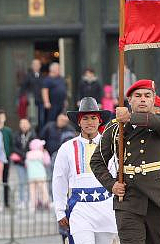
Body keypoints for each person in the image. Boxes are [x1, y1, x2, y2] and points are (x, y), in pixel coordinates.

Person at [89, 79, 160, 243]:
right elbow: (97, 161)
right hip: (129, 199)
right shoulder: (115, 127)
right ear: (129, 100)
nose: (143, 99)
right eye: (137, 96)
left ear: (153, 99)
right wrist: (112, 185)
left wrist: (131, 117)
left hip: (158, 199)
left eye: (147, 95)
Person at [51, 97, 116, 244]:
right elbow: (59, 180)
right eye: (85, 118)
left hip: (106, 208)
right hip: (80, 209)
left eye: (94, 118)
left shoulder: (111, 144)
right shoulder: (67, 148)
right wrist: (60, 211)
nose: (89, 122)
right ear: (79, 122)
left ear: (100, 121)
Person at [11, 118, 34, 207]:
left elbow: (34, 146)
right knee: (21, 181)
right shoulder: (16, 135)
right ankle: (21, 200)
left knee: (29, 182)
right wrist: (23, 155)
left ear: (29, 125)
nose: (24, 125)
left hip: (30, 162)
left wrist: (27, 155)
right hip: (19, 162)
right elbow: (14, 147)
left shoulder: (33, 135)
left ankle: (29, 200)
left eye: (25, 123)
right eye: (22, 123)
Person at [40, 62, 67, 130]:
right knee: (52, 121)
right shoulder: (47, 79)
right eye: (58, 68)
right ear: (53, 69)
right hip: (52, 104)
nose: (59, 70)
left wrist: (65, 100)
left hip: (61, 103)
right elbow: (44, 91)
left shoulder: (61, 78)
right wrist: (46, 102)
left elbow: (63, 90)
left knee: (61, 118)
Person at [26, 138, 51, 211]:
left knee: (32, 191)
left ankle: (33, 205)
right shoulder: (41, 153)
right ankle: (46, 203)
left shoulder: (28, 154)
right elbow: (47, 162)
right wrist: (46, 153)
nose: (42, 147)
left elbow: (26, 164)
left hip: (31, 175)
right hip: (41, 175)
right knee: (43, 189)